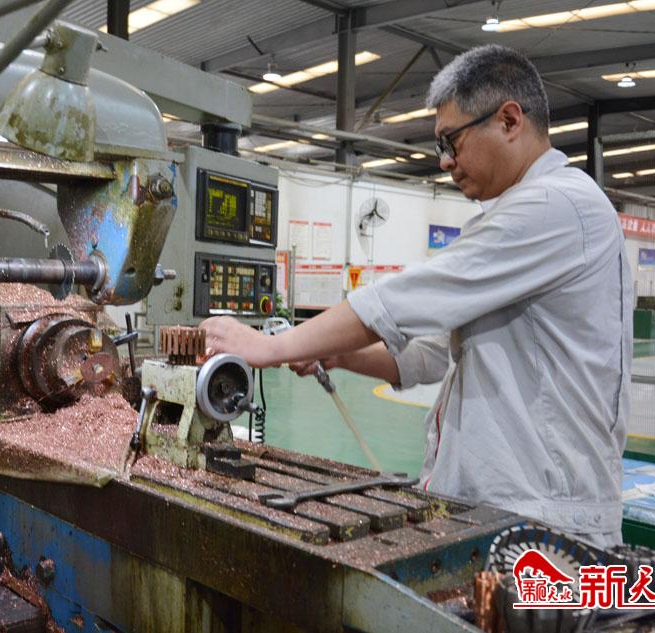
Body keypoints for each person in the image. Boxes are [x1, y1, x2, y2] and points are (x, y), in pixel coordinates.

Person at [200, 44, 632, 548]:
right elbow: (435, 355)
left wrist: (271, 346)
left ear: (509, 120)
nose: (446, 161)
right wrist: (337, 354)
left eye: (452, 141)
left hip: (545, 523)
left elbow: (408, 300)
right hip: (503, 511)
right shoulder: (518, 214)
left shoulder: (557, 205)